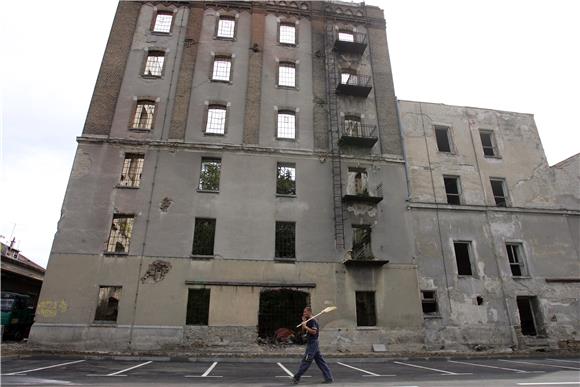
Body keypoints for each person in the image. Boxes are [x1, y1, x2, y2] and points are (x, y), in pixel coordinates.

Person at [292, 306, 333, 384]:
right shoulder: (308, 320)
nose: (304, 313)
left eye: (305, 312)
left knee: (306, 360)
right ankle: (329, 378)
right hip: (312, 343)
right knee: (320, 361)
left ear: (309, 312)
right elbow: (304, 331)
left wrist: (305, 326)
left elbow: (314, 332)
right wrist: (304, 323)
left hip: (313, 343)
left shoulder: (312, 321)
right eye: (303, 312)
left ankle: (297, 376)